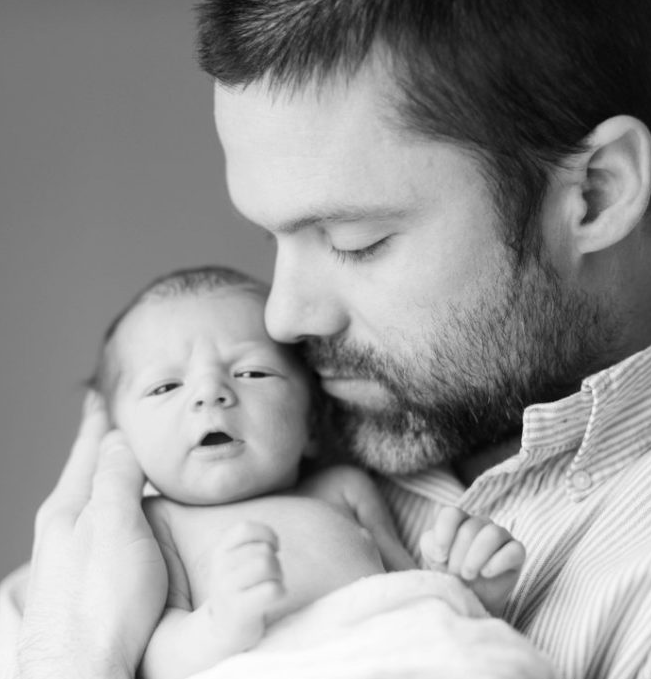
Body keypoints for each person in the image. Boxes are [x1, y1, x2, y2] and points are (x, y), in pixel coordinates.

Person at [0, 0, 651, 678]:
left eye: (355, 239)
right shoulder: (241, 451)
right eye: (272, 240)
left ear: (596, 194)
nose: (284, 318)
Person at [88, 265, 526, 678]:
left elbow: (406, 587)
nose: (210, 393)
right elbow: (153, 662)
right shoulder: (156, 522)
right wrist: (219, 622)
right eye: (165, 387)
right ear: (118, 441)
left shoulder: (343, 488)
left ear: (312, 424)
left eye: (252, 372)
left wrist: (463, 587)